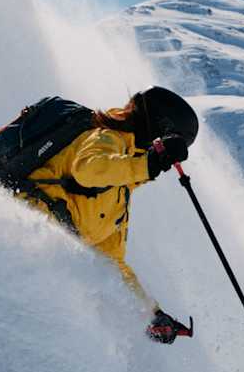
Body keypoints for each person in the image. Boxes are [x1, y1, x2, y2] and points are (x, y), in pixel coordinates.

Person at [11, 86, 199, 343]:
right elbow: (88, 169)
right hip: (19, 226)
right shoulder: (106, 138)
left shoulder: (120, 190)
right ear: (158, 128)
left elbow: (111, 263)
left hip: (41, 252)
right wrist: (148, 164)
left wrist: (151, 314)